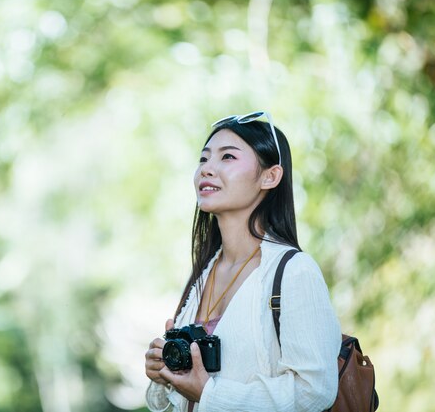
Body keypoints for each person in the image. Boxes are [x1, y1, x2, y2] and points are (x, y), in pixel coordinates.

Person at [144, 111, 341, 412]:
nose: (207, 170)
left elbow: (314, 390)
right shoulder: (202, 274)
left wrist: (210, 394)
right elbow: (186, 393)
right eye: (204, 159)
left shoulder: (293, 271)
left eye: (227, 158)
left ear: (269, 176)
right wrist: (164, 373)